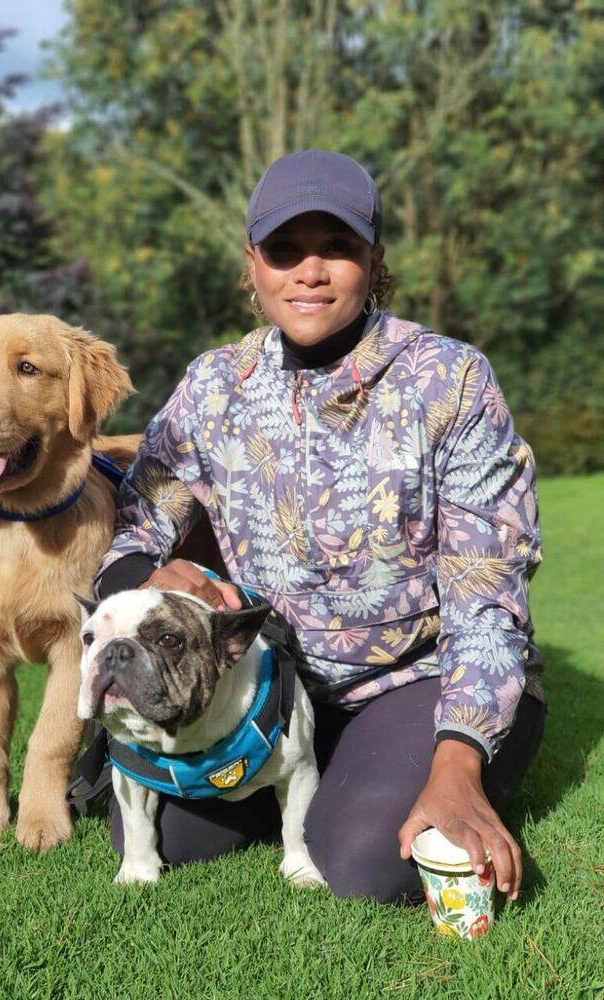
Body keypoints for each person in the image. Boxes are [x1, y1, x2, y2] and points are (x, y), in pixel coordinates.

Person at [86, 150, 546, 905]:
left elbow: (486, 596)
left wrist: (460, 761)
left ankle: (418, 768)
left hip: (418, 681)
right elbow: (136, 526)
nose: (310, 271)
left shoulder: (451, 380)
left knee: (367, 862)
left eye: (336, 246)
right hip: (271, 682)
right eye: (284, 249)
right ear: (253, 265)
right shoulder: (213, 385)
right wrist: (145, 577)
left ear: (375, 262)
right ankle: (321, 770)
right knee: (168, 838)